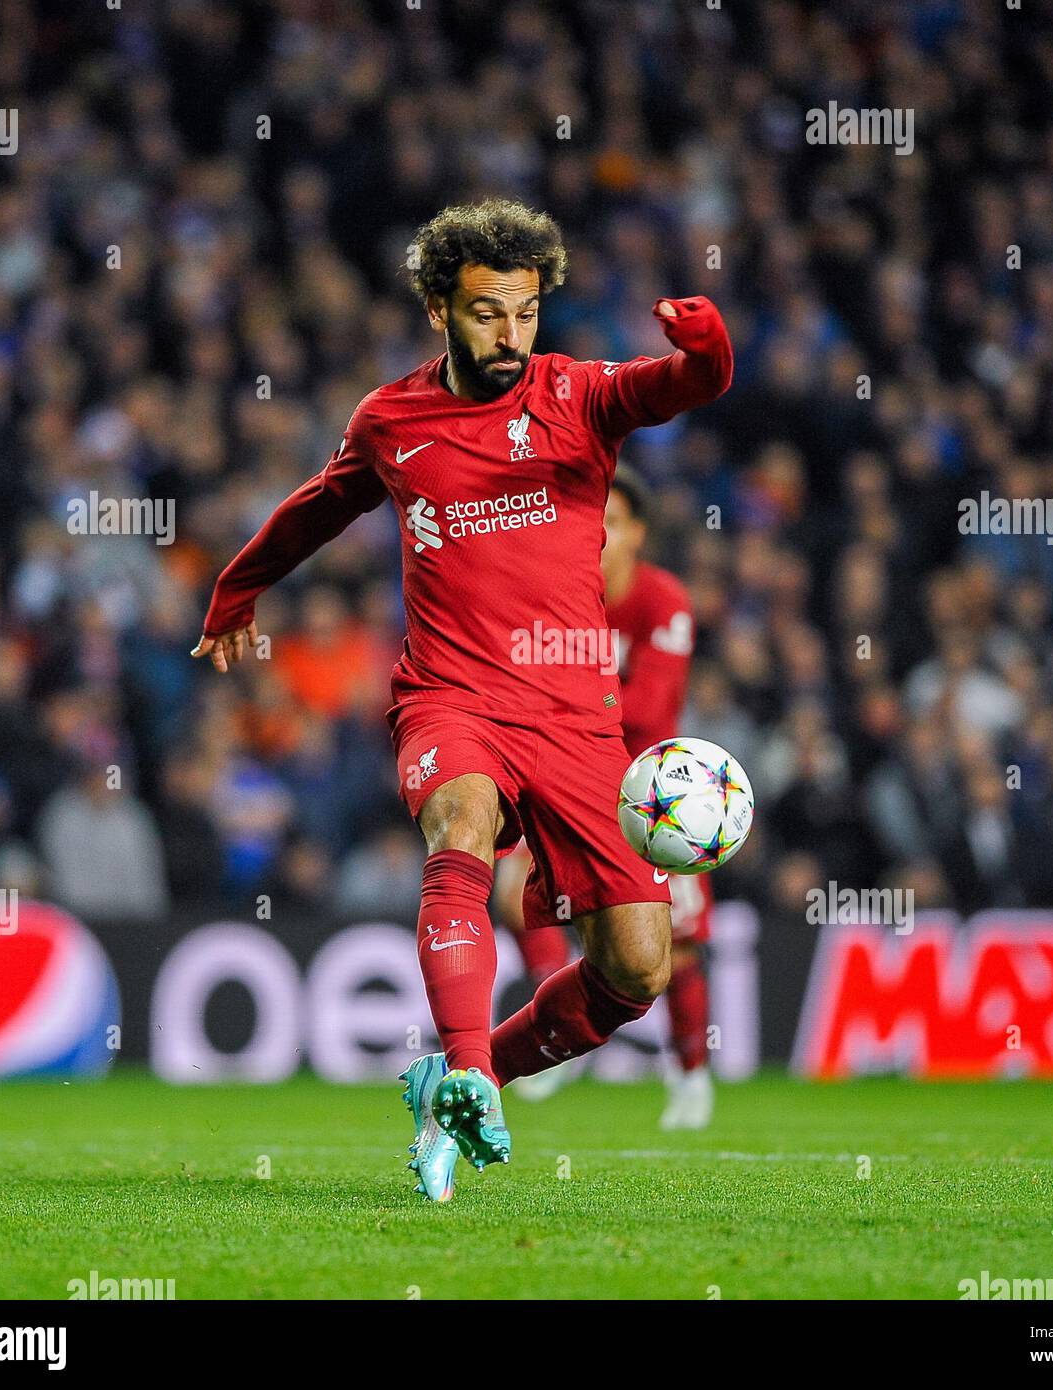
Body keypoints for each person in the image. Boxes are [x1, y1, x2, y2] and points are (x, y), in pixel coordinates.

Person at [192, 199, 732, 1201]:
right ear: (438, 308)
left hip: (577, 717)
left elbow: (687, 385)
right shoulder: (391, 422)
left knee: (638, 968)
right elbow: (318, 506)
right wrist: (237, 587)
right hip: (454, 693)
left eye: (525, 313)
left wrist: (707, 346)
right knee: (462, 823)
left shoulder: (578, 396)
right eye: (488, 313)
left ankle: (462, 1082)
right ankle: (472, 1064)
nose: (511, 336)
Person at [495, 464, 716, 1128]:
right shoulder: (559, 599)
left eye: (612, 524)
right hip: (569, 780)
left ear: (638, 532)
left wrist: (573, 714)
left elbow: (647, 713)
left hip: (654, 793)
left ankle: (692, 1076)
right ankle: (558, 1040)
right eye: (589, 522)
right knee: (516, 896)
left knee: (676, 947)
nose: (597, 536)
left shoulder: (662, 601)